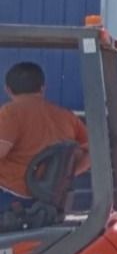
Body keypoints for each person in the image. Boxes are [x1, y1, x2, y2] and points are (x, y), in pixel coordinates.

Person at [0, 62, 91, 214]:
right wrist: (65, 176)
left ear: (7, 90)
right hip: (51, 198)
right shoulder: (67, 116)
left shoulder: (10, 113)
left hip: (11, 198)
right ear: (42, 88)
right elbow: (93, 154)